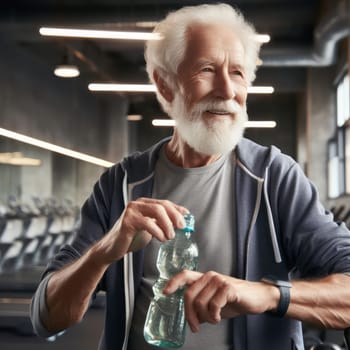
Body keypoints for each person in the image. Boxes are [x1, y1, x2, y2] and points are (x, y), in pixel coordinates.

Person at [31, 3, 350, 350]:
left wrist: (268, 294)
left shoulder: (275, 177)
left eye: (238, 73)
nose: (227, 90)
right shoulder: (120, 184)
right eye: (208, 69)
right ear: (165, 85)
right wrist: (104, 250)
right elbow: (47, 318)